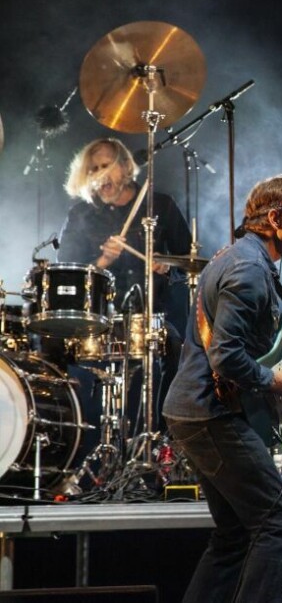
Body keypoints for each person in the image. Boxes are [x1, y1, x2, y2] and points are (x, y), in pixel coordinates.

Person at [162, 174, 282, 603]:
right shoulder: (250, 269)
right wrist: (272, 379)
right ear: (274, 220)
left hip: (194, 411)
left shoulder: (238, 257)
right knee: (280, 522)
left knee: (234, 535)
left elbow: (240, 340)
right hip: (212, 414)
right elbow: (225, 356)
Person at [58, 137, 191, 432]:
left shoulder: (159, 204)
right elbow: (67, 276)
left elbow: (189, 261)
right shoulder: (80, 215)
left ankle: (164, 436)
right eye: (93, 169)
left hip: (154, 318)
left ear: (126, 168)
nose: (100, 175)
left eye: (106, 166)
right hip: (101, 322)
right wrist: (102, 261)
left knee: (178, 351)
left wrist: (167, 266)